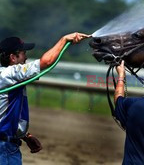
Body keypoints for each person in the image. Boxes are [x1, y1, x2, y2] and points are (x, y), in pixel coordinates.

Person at [0, 32, 91, 165]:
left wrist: (25, 136)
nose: (26, 57)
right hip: (4, 148)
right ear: (13, 57)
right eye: (23, 53)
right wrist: (64, 39)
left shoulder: (7, 77)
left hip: (9, 145)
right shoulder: (8, 74)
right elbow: (45, 62)